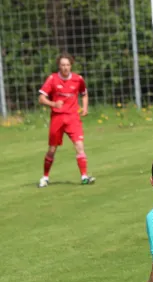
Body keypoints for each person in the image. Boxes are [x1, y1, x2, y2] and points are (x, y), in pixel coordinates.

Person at [37, 52, 95, 187]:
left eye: (68, 65)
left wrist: (85, 107)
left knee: (80, 146)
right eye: (63, 65)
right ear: (59, 66)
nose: (65, 67)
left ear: (71, 66)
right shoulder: (52, 79)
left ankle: (84, 176)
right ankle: (45, 177)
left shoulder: (78, 79)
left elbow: (84, 94)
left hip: (73, 118)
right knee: (52, 149)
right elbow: (41, 98)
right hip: (57, 118)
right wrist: (53, 104)